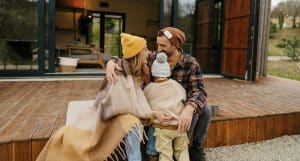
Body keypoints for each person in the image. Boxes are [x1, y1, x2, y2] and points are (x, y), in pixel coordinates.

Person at [106, 27, 211, 161]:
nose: (159, 49)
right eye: (158, 44)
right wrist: (111, 62)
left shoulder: (190, 63)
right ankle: (154, 151)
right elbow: (129, 56)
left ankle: (194, 146)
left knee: (205, 108)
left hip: (178, 104)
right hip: (155, 103)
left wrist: (189, 109)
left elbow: (199, 90)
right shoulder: (154, 57)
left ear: (175, 45)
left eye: (163, 45)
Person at [144, 52, 190, 161]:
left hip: (162, 128)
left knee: (165, 155)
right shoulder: (177, 86)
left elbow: (144, 106)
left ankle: (151, 154)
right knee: (182, 151)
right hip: (179, 127)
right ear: (168, 73)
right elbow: (184, 98)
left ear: (154, 73)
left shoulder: (148, 89)